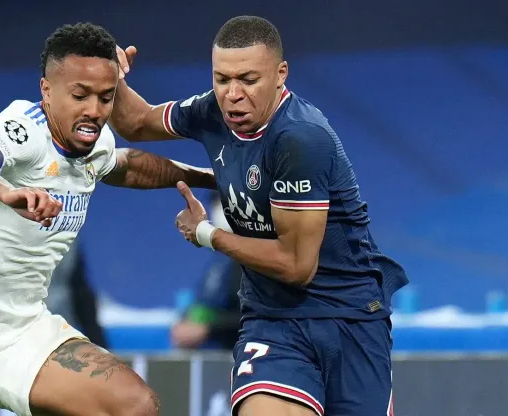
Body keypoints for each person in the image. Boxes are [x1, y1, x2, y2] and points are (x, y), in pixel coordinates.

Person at [0, 22, 214, 416]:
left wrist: (213, 178)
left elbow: (122, 165)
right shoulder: (24, 130)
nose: (94, 111)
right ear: (46, 91)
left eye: (106, 98)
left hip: (21, 336)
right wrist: (4, 190)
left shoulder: (94, 142)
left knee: (134, 407)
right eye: (80, 95)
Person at [109, 15, 409, 416]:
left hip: (350, 318)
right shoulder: (212, 110)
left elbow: (297, 265)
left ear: (280, 73)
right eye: (222, 79)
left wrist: (206, 234)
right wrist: (110, 76)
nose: (233, 94)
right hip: (273, 320)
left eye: (248, 80)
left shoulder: (300, 137)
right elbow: (135, 122)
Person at [171, 194, 242, 350]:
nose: (217, 210)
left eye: (222, 204)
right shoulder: (219, 260)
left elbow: (253, 314)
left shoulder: (252, 258)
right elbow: (204, 304)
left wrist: (208, 329)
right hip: (212, 357)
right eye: (215, 204)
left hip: (240, 355)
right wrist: (185, 322)